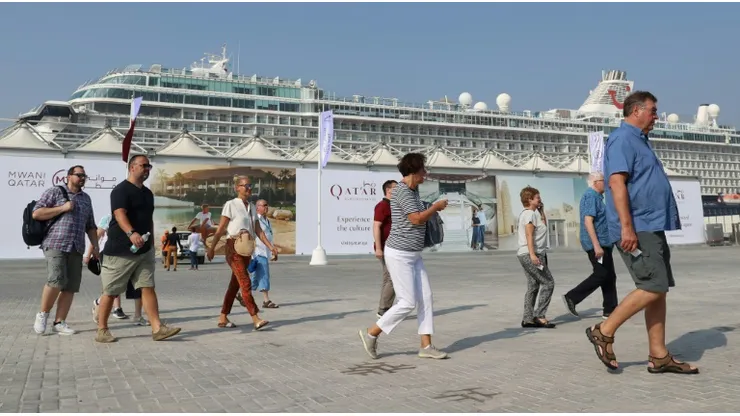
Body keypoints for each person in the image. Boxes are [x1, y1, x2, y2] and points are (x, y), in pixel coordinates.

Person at [586, 91, 698, 374]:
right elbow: (616, 183)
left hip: (651, 225)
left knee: (659, 290)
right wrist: (627, 227)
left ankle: (658, 356)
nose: (656, 117)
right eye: (653, 111)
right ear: (636, 110)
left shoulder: (640, 140)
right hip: (637, 226)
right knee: (653, 285)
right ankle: (604, 330)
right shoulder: (623, 139)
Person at [358, 153, 449, 360]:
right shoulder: (402, 191)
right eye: (423, 169)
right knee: (407, 302)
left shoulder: (413, 190)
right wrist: (435, 207)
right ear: (414, 171)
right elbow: (415, 219)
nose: (425, 173)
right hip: (399, 254)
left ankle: (426, 346)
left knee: (426, 297)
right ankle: (371, 333)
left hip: (414, 254)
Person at [95, 155, 181, 343]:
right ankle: (102, 330)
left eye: (149, 166)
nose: (147, 169)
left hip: (144, 251)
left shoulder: (148, 193)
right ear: (132, 167)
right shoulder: (120, 190)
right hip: (120, 250)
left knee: (147, 287)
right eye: (144, 166)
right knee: (111, 291)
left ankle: (157, 328)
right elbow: (119, 214)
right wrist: (131, 233)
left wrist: (153, 244)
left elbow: (149, 219)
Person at [32, 165, 99, 335]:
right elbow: (37, 213)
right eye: (79, 175)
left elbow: (91, 225)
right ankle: (43, 314)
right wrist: (62, 208)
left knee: (70, 286)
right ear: (68, 177)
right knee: (56, 280)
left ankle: (59, 322)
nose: (82, 178)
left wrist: (95, 247)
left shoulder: (86, 198)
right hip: (56, 243)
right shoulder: (55, 192)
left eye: (84, 176)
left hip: (77, 246)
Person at [207, 176, 278, 330]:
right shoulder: (231, 205)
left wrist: (271, 247)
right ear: (237, 188)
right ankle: (255, 317)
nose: (248, 188)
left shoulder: (252, 207)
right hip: (233, 248)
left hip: (247, 249)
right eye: (245, 185)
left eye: (250, 185)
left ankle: (223, 317)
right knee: (245, 282)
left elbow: (258, 230)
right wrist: (212, 248)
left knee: (234, 285)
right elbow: (221, 228)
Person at [562, 172, 618, 319]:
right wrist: (596, 245)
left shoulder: (598, 197)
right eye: (603, 180)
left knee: (609, 276)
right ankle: (572, 297)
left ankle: (610, 309)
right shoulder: (591, 196)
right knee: (601, 274)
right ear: (595, 182)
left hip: (604, 242)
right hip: (597, 243)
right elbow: (588, 221)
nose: (606, 183)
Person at [516, 186, 556, 329]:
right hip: (531, 254)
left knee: (533, 285)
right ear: (529, 199)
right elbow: (529, 234)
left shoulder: (533, 214)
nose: (540, 199)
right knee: (548, 283)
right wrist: (533, 255)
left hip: (527, 253)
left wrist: (541, 210)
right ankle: (539, 316)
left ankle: (528, 319)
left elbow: (543, 226)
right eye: (537, 197)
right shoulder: (529, 214)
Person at [373, 179, 397, 318]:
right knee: (392, 278)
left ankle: (383, 307)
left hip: (393, 246)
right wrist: (378, 248)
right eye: (395, 188)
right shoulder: (382, 206)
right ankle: (384, 309)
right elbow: (376, 226)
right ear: (388, 190)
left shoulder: (393, 206)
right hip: (386, 247)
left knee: (387, 278)